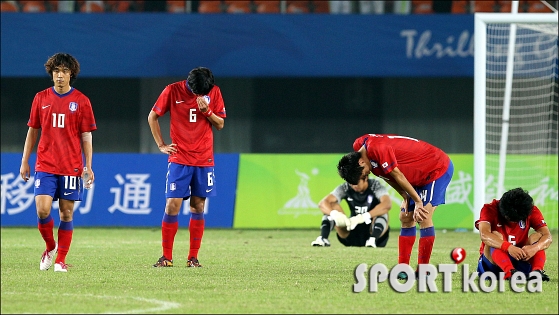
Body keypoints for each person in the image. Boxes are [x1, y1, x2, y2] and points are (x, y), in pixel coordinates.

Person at [19, 52, 97, 273]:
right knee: (42, 210)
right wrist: (25, 161)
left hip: (71, 166)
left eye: (64, 71)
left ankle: (61, 260)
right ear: (51, 74)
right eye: (56, 72)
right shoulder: (41, 98)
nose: (60, 76)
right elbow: (33, 131)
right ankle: (51, 247)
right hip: (45, 164)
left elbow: (86, 136)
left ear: (71, 74)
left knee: (66, 214)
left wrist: (88, 165)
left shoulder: (81, 101)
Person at [337, 133, 453, 280]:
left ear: (360, 162)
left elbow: (396, 174)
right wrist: (405, 196)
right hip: (416, 176)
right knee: (405, 217)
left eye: (363, 174)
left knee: (423, 216)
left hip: (435, 168)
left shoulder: (377, 148)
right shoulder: (360, 148)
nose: (365, 176)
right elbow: (387, 175)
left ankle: (424, 270)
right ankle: (403, 269)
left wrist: (417, 201)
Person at [148, 67, 226, 268]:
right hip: (179, 158)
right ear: (189, 84)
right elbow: (152, 116)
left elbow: (220, 124)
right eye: (196, 91)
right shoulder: (172, 90)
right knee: (172, 204)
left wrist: (207, 112)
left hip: (203, 159)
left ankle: (193, 258)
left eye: (203, 92)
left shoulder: (214, 92)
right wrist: (161, 145)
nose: (200, 95)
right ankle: (166, 257)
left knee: (197, 206)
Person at [475, 187, 551, 281]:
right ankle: (509, 272)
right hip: (492, 265)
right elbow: (484, 235)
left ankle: (537, 271)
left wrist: (535, 248)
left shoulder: (531, 210)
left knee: (537, 236)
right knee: (495, 235)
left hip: (520, 259)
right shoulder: (489, 209)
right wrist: (508, 247)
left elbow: (548, 236)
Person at [311, 175, 392, 248]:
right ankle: (323, 238)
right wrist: (335, 214)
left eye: (356, 182)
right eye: (351, 183)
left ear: (365, 178)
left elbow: (387, 204)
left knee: (383, 211)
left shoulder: (375, 186)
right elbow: (322, 203)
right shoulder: (345, 187)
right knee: (331, 206)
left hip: (375, 235)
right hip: (351, 232)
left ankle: (372, 239)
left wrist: (363, 217)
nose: (354, 186)